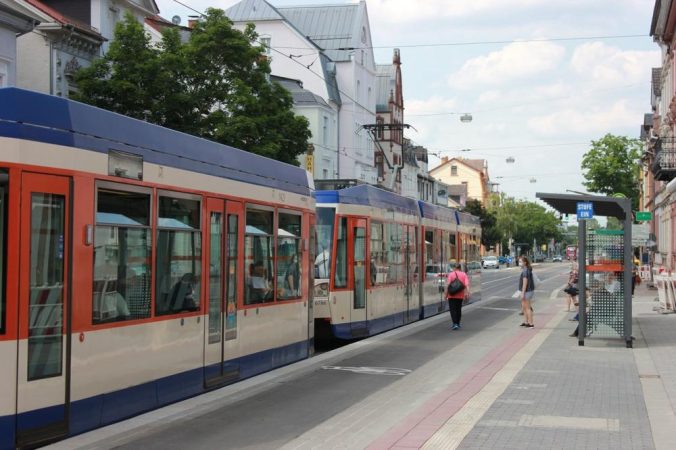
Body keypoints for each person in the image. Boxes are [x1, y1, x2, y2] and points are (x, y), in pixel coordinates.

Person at [446, 262, 470, 330]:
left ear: (454, 268)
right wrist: (468, 293)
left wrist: (446, 295)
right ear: (460, 268)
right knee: (458, 309)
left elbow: (448, 286)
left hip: (451, 295)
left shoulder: (451, 274)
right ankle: (458, 323)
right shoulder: (464, 274)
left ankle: (455, 324)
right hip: (460, 295)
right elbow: (467, 285)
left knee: (452, 310)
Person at [518, 256, 535, 328]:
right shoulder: (526, 269)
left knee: (527, 308)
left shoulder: (525, 270)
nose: (519, 263)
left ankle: (531, 324)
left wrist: (522, 293)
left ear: (525, 263)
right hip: (527, 291)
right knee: (524, 307)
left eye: (520, 262)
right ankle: (526, 322)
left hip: (527, 291)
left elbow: (525, 282)